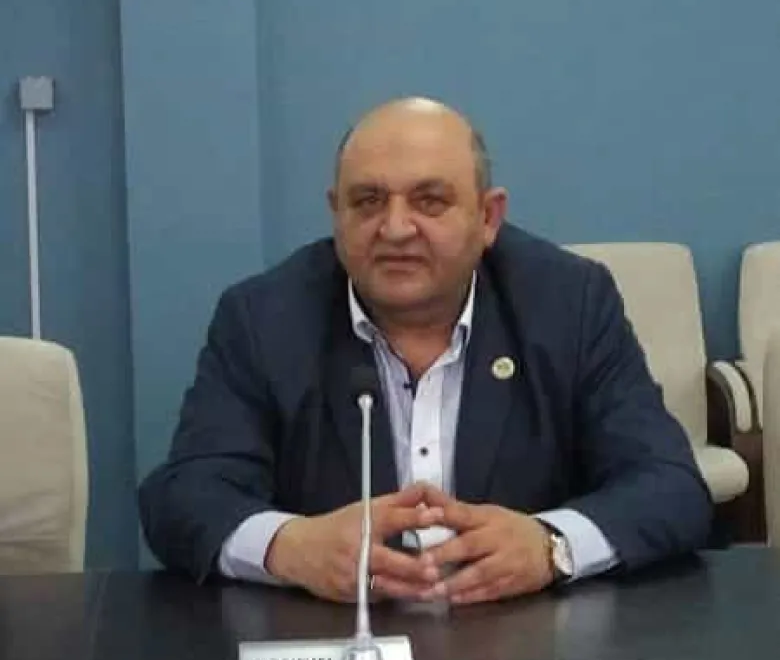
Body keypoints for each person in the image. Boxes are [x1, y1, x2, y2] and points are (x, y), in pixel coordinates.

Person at [138, 96, 713, 604]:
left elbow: (670, 486)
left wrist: (551, 546)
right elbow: (185, 495)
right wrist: (289, 547)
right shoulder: (264, 317)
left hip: (527, 640)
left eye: (430, 201)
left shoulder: (570, 303)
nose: (395, 228)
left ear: (487, 217)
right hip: (335, 643)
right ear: (336, 213)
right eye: (367, 201)